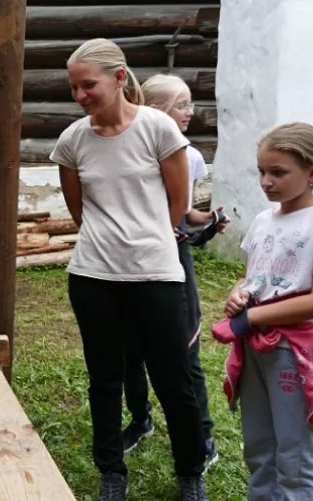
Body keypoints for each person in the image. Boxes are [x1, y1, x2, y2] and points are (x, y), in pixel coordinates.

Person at [49, 38, 213, 501]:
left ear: (120, 79)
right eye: (73, 87)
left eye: (88, 85)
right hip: (93, 276)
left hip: (157, 275)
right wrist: (111, 242)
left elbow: (178, 206)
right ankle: (111, 473)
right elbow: (80, 212)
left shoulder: (159, 128)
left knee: (174, 379)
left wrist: (143, 242)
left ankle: (190, 473)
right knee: (105, 379)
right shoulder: (73, 140)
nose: (79, 95)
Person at [207, 122, 313, 501]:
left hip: (296, 351)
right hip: (255, 346)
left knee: (294, 450)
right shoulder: (262, 221)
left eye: (278, 172)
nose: (267, 182)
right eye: (262, 172)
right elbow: (252, 277)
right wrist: (238, 295)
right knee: (258, 441)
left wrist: (254, 317)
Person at [120, 74, 228, 471]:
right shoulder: (129, 150)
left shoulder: (191, 155)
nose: (190, 112)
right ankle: (140, 419)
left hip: (173, 261)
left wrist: (209, 220)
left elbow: (186, 213)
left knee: (185, 350)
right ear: (157, 110)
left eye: (189, 103)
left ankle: (201, 432)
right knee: (131, 351)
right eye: (182, 104)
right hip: (129, 260)